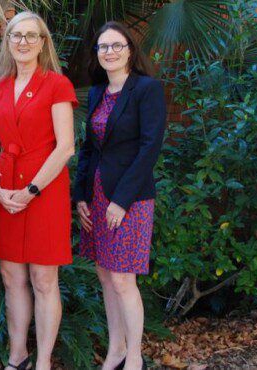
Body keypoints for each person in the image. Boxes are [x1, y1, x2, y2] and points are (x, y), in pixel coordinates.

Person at [0, 11, 77, 370]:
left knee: (43, 277)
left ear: (43, 43)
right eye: (16, 35)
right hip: (6, 191)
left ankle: (43, 362)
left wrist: (33, 189)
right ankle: (17, 355)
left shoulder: (56, 84)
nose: (23, 42)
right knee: (12, 277)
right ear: (7, 42)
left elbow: (65, 146)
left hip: (45, 190)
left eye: (31, 36)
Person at [73, 21, 167, 370]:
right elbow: (88, 148)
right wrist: (80, 195)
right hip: (96, 196)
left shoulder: (147, 89)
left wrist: (122, 201)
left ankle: (135, 357)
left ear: (130, 50)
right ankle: (115, 351)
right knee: (104, 275)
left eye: (116, 45)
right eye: (103, 47)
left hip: (131, 198)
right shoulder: (98, 92)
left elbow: (149, 147)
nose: (109, 52)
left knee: (124, 278)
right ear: (97, 54)